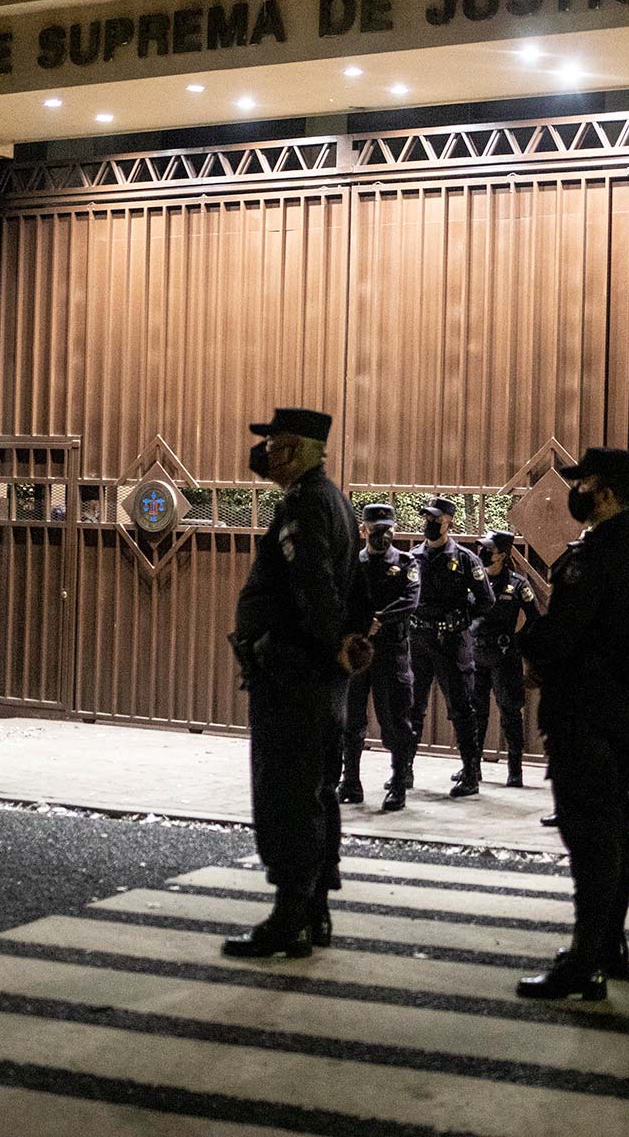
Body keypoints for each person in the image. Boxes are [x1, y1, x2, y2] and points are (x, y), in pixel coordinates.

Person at [516, 447, 629, 1001]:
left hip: (584, 713)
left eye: (582, 483)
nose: (573, 492)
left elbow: (565, 632)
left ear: (602, 490)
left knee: (590, 838)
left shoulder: (595, 555)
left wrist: (527, 644)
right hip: (621, 711)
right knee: (613, 835)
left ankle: (586, 959)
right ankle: (609, 945)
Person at [225, 407, 363, 959]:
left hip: (293, 674)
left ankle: (289, 916)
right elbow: (353, 587)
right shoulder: (335, 501)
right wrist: (348, 640)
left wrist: (332, 641)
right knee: (316, 790)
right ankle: (314, 912)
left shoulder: (306, 505)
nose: (266, 453)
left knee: (285, 792)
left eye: (277, 444)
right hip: (317, 674)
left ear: (301, 450)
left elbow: (314, 584)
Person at [407, 495, 495, 797]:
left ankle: (470, 774)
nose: (430, 524)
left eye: (436, 519)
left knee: (461, 709)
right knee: (411, 708)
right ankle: (404, 770)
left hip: (451, 644)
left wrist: (466, 625)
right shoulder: (414, 556)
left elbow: (486, 601)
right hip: (418, 643)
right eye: (427, 518)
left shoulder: (466, 560)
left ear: (449, 522)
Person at [340, 503, 420, 811]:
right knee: (352, 721)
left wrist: (378, 620)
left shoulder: (406, 562)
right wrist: (362, 623)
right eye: (376, 530)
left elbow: (410, 600)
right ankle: (351, 783)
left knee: (396, 722)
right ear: (363, 530)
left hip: (391, 653)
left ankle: (398, 784)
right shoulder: (352, 563)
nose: (383, 535)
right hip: (359, 653)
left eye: (388, 529)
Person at [470, 529, 539, 788]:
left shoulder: (518, 585)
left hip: (504, 655)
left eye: (489, 549)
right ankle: (471, 767)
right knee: (476, 713)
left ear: (503, 555)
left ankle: (515, 770)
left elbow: (534, 620)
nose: (483, 553)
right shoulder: (474, 581)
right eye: (483, 548)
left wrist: (518, 643)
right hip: (476, 653)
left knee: (510, 712)